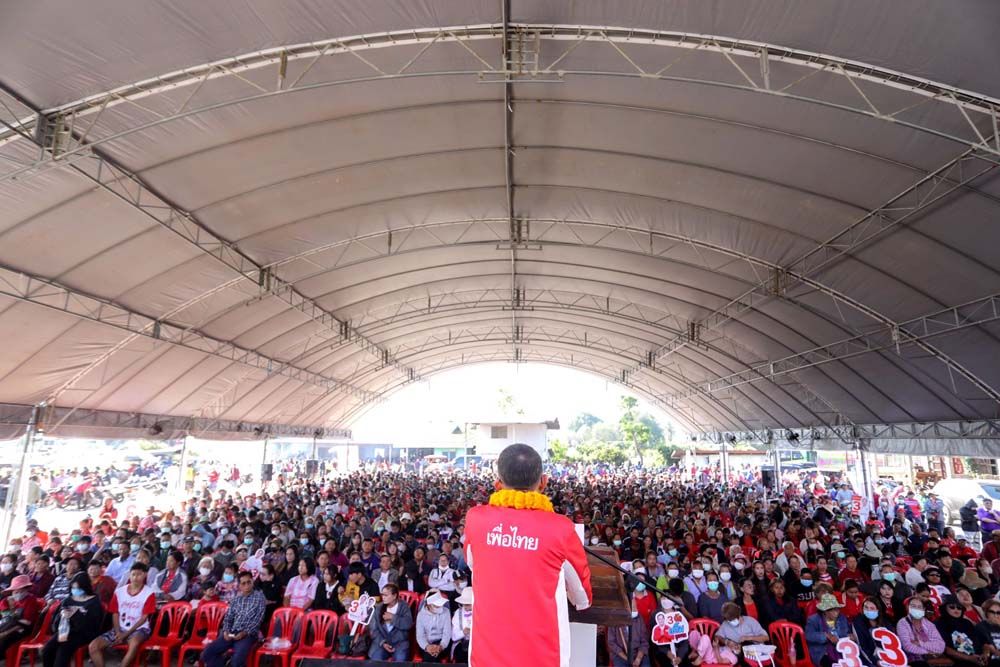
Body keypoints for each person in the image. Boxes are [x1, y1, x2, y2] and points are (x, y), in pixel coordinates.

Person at [463, 444, 592, 666]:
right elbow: (582, 597)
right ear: (543, 482)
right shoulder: (560, 528)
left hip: (485, 656)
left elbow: (473, 563)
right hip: (542, 657)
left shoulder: (475, 519)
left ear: (497, 484)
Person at [88, 563, 156, 667]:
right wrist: (118, 632)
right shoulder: (119, 592)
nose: (135, 577)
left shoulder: (149, 593)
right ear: (129, 575)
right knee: (93, 646)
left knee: (134, 644)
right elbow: (115, 613)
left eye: (139, 574)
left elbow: (144, 618)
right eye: (133, 574)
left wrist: (126, 634)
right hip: (119, 628)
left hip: (139, 629)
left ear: (145, 575)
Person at [201, 571, 265, 667]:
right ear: (239, 586)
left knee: (237, 661)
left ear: (252, 582)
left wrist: (244, 632)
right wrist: (226, 631)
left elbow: (258, 620)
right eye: (243, 583)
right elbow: (228, 617)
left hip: (248, 634)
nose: (247, 585)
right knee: (207, 653)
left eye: (249, 582)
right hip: (232, 632)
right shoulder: (236, 599)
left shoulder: (259, 598)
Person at [41, 573, 104, 667]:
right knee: (47, 650)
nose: (75, 590)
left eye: (78, 588)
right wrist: (62, 615)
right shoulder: (68, 600)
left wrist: (76, 615)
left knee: (63, 651)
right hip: (65, 631)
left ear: (85, 587)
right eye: (73, 588)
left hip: (83, 633)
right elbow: (56, 621)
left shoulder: (94, 602)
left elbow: (93, 624)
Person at [936, 596, 988, 666]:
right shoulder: (939, 623)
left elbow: (982, 642)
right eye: (952, 607)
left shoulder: (967, 623)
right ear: (945, 608)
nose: (956, 609)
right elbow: (945, 648)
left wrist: (985, 655)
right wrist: (969, 658)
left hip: (977, 659)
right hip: (958, 662)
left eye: (959, 607)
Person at [368, 584, 413, 661]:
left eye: (386, 595)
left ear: (394, 596)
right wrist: (383, 643)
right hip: (381, 643)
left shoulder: (404, 607)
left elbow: (408, 624)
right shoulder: (378, 608)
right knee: (376, 659)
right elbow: (373, 630)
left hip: (400, 643)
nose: (383, 597)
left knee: (400, 659)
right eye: (382, 595)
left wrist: (393, 618)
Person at [805, 594, 852, 667]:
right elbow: (808, 635)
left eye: (837, 609)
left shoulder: (842, 618)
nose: (836, 612)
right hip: (822, 651)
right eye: (832, 609)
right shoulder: (813, 620)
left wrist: (849, 636)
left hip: (841, 649)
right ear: (825, 611)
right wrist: (826, 636)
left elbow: (845, 633)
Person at [0, 575, 42, 656]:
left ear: (26, 589)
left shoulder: (31, 600)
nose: (17, 593)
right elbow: (4, 610)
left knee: (5, 639)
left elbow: (27, 622)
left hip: (24, 629)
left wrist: (6, 631)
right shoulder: (11, 600)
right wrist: (10, 609)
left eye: (20, 590)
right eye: (15, 591)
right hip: (10, 625)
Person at [897, 598, 946, 665]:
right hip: (912, 659)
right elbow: (908, 647)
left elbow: (941, 646)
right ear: (908, 608)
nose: (916, 609)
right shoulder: (902, 623)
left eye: (919, 607)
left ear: (923, 609)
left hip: (931, 658)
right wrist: (928, 652)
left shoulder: (929, 625)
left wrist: (920, 643)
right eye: (913, 606)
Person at [608, 594, 650, 667]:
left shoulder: (639, 617)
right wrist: (626, 658)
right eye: (632, 608)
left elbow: (644, 641)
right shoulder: (615, 619)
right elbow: (611, 642)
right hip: (621, 655)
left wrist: (638, 659)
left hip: (638, 653)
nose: (635, 610)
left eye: (635, 607)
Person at [416, 592, 452, 662]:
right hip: (426, 643)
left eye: (440, 605)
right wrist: (427, 647)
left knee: (435, 656)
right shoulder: (421, 615)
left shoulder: (446, 612)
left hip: (442, 643)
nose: (439, 607)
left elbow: (447, 633)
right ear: (429, 605)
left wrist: (441, 646)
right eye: (436, 606)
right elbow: (420, 636)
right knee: (429, 656)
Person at [853, 597, 887, 667]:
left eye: (872, 608)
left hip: (886, 655)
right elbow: (862, 647)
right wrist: (875, 662)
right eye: (866, 607)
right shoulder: (858, 622)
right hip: (868, 659)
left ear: (878, 610)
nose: (868, 610)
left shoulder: (884, 621)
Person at [451, 587, 473, 663]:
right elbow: (454, 637)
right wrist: (463, 632)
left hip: (476, 644)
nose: (465, 606)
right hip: (461, 644)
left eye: (468, 604)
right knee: (462, 654)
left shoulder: (480, 613)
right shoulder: (458, 613)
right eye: (463, 604)